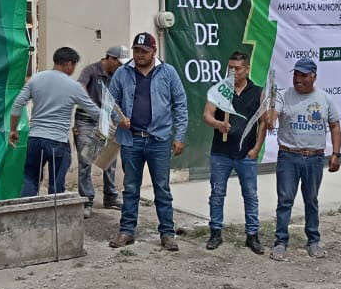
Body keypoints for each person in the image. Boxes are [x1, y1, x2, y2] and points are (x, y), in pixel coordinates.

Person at [108, 32, 189, 252]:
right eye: (136, 50)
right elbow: (110, 101)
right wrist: (118, 117)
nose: (139, 55)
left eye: (144, 51)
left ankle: (167, 233)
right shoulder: (123, 73)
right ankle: (126, 231)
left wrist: (179, 136)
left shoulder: (168, 72)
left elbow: (180, 104)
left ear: (154, 51)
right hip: (131, 139)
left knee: (161, 188)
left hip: (159, 140)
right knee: (130, 187)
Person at [267, 57, 341, 259]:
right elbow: (273, 115)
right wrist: (271, 117)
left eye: (302, 75)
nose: (297, 79)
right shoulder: (284, 96)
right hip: (289, 157)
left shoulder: (325, 99)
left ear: (313, 77)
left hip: (314, 158)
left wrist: (336, 153)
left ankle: (313, 241)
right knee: (285, 200)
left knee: (311, 200)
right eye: (295, 74)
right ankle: (281, 241)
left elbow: (335, 126)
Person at [9, 46, 101, 205]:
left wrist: (13, 130)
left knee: (30, 179)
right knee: (56, 187)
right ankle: (53, 222)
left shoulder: (36, 79)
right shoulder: (74, 87)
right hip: (58, 143)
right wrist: (116, 120)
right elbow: (95, 112)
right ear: (70, 64)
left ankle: (27, 217)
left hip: (35, 140)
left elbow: (17, 104)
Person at [202, 51, 268, 254]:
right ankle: (215, 232)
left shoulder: (258, 92)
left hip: (245, 153)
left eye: (238, 68)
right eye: (230, 67)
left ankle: (252, 235)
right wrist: (218, 124)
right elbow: (207, 115)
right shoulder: (220, 90)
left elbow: (264, 121)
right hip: (221, 152)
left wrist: (256, 148)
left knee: (250, 195)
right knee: (217, 193)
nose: (233, 71)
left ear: (247, 69)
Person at [75, 45, 124, 210]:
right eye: (119, 62)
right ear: (110, 58)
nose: (120, 66)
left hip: (106, 121)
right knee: (86, 160)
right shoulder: (91, 70)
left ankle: (110, 197)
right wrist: (96, 110)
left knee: (109, 160)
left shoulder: (116, 75)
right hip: (87, 121)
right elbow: (79, 90)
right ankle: (87, 200)